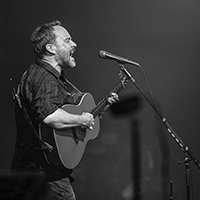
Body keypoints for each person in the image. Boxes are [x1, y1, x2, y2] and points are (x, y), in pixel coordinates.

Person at [10, 20, 118, 200]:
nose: (74, 44)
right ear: (51, 48)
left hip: (39, 172)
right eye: (67, 40)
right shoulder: (44, 77)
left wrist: (98, 111)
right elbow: (49, 116)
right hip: (43, 174)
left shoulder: (49, 77)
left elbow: (64, 116)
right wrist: (82, 120)